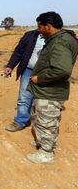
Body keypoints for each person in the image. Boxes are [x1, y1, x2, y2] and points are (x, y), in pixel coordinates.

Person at [26, 12, 78, 164]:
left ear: (48, 27)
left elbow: (62, 70)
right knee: (40, 118)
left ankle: (46, 153)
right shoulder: (57, 39)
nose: (38, 30)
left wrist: (39, 78)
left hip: (50, 91)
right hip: (46, 90)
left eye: (40, 27)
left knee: (47, 121)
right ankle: (42, 142)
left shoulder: (60, 42)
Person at [4, 30, 45, 132]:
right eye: (38, 24)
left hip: (45, 74)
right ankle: (20, 121)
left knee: (42, 100)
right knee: (24, 96)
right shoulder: (30, 35)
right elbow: (19, 51)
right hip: (28, 70)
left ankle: (40, 126)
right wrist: (10, 66)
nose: (39, 27)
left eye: (41, 24)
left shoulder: (55, 38)